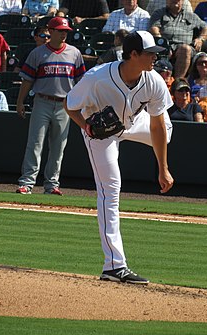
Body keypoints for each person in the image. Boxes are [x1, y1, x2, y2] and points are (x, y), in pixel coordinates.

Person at [64, 31, 174, 284]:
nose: (156, 58)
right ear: (133, 55)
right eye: (150, 53)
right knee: (110, 189)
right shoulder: (97, 78)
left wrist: (163, 169)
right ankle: (114, 266)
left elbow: (156, 126)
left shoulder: (153, 80)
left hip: (133, 123)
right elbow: (70, 105)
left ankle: (114, 266)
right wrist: (87, 127)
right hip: (101, 134)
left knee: (166, 131)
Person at [16, 17, 86, 195]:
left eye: (66, 31)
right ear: (51, 31)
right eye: (60, 31)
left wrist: (81, 105)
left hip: (65, 105)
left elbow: (81, 82)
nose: (64, 34)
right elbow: (27, 80)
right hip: (42, 101)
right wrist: (20, 101)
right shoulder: (38, 53)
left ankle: (52, 184)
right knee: (35, 143)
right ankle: (27, 183)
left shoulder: (74, 53)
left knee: (58, 146)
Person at [149, 0, 207, 79]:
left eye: (178, 0)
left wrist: (200, 39)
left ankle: (178, 81)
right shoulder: (159, 13)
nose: (175, 1)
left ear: (183, 1)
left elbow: (206, 28)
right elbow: (154, 28)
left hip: (184, 47)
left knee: (185, 49)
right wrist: (163, 44)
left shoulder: (191, 16)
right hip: (165, 44)